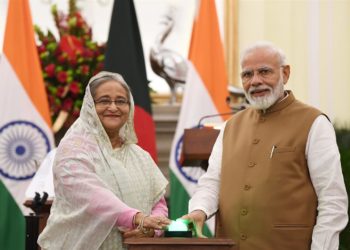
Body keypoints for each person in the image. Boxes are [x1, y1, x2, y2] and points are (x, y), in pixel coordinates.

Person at [183, 41, 348, 250]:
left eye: (264, 72)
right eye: (247, 75)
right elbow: (212, 183)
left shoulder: (314, 123)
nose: (255, 81)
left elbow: (333, 201)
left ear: (285, 74)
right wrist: (199, 210)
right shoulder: (230, 127)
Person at [38, 71, 171, 250]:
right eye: (104, 101)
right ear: (90, 107)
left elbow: (158, 203)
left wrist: (151, 230)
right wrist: (138, 218)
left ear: (129, 107)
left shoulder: (140, 155)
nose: (113, 107)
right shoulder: (73, 149)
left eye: (121, 101)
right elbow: (93, 198)